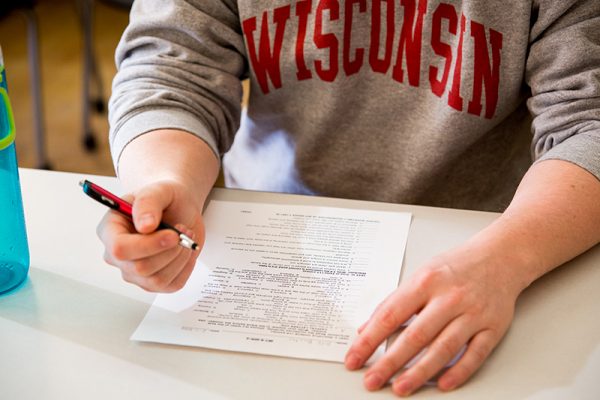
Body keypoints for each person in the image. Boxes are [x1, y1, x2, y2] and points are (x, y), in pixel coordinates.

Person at [99, 0, 600, 396]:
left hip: (495, 240)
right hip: (266, 234)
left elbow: (589, 122)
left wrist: (506, 259)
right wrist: (163, 180)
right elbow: (171, 70)